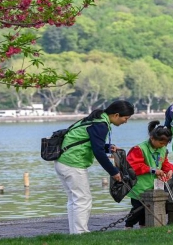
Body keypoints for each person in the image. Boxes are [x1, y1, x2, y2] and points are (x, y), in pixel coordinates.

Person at [54, 100, 134, 234]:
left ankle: (75, 232)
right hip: (73, 163)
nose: (126, 121)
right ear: (116, 115)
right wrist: (113, 171)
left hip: (63, 161)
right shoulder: (101, 125)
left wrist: (108, 147)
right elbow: (98, 152)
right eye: (125, 118)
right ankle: (80, 232)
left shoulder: (96, 120)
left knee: (75, 199)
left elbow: (90, 142)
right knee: (83, 198)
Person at [125, 120, 173, 229]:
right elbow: (132, 166)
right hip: (139, 186)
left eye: (165, 144)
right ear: (152, 138)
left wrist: (170, 170)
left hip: (154, 185)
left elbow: (165, 163)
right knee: (138, 208)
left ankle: (144, 225)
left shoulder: (163, 149)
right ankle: (128, 225)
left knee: (149, 207)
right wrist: (153, 170)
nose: (163, 146)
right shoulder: (139, 149)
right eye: (161, 143)